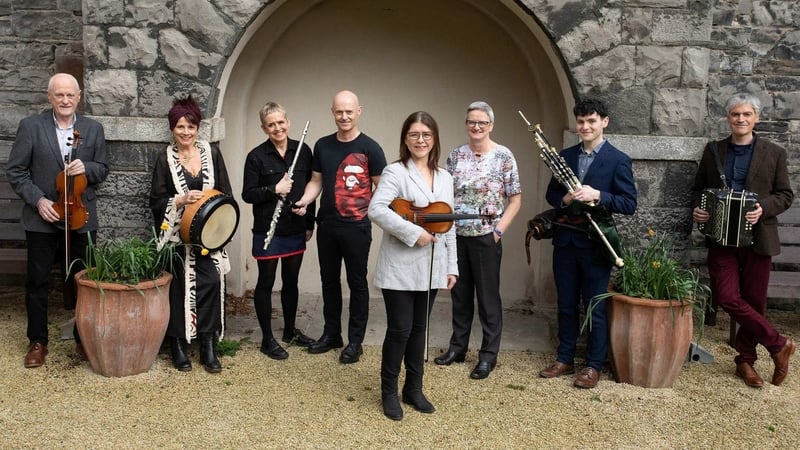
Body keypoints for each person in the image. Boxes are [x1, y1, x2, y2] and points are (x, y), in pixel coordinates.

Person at [6, 73, 109, 368]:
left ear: (79, 97)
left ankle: (82, 339)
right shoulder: (31, 127)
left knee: (83, 282)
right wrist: (39, 200)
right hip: (42, 219)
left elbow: (102, 169)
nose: (65, 100)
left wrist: (86, 168)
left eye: (70, 95)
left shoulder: (92, 128)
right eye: (59, 95)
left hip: (80, 217)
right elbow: (16, 171)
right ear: (49, 97)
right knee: (37, 281)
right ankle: (37, 341)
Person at [692, 93, 795, 388]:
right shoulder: (713, 151)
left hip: (758, 238)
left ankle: (745, 362)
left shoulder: (774, 153)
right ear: (728, 118)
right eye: (736, 114)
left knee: (754, 302)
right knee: (726, 296)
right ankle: (778, 344)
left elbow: (785, 195)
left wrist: (764, 208)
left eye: (747, 114)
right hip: (721, 238)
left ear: (756, 118)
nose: (741, 119)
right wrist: (699, 210)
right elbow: (699, 189)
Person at [539, 98, 637, 389]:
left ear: (604, 122)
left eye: (591, 121)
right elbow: (552, 195)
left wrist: (598, 194)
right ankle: (565, 358)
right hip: (566, 241)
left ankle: (593, 365)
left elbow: (629, 203)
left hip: (597, 244)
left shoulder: (618, 160)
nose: (585, 126)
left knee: (594, 306)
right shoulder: (566, 155)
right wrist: (565, 199)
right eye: (581, 122)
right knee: (566, 303)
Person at [369, 111, 458, 420]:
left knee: (421, 329)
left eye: (426, 135)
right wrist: (413, 232)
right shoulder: (395, 172)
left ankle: (414, 389)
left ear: (434, 140)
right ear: (405, 139)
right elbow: (376, 209)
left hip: (433, 266)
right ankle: (389, 392)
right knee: (400, 329)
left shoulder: (445, 176)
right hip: (399, 265)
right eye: (414, 135)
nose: (420, 140)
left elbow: (450, 225)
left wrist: (452, 266)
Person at [293, 90, 387, 364]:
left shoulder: (371, 148)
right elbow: (316, 181)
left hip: (357, 227)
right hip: (328, 225)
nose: (344, 116)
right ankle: (331, 333)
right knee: (329, 281)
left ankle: (355, 341)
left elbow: (383, 187)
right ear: (332, 112)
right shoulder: (323, 145)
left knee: (357, 283)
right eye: (339, 111)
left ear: (359, 111)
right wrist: (304, 201)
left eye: (349, 111)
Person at [434, 101, 521, 380]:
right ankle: (457, 348)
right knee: (459, 296)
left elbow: (515, 200)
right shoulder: (456, 156)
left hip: (486, 237)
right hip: (457, 236)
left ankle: (487, 355)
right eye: (472, 121)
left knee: (487, 298)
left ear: (491, 125)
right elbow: (445, 195)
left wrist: (498, 233)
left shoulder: (504, 156)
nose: (476, 127)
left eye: (482, 122)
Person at [150, 96, 234, 373]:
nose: (186, 132)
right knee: (176, 289)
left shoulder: (213, 154)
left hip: (208, 237)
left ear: (199, 128)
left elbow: (225, 192)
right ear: (172, 129)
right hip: (176, 237)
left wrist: (216, 216)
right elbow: (156, 199)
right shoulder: (165, 159)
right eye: (180, 127)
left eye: (191, 126)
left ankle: (208, 345)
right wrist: (181, 200)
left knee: (210, 282)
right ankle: (177, 345)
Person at [242, 102, 316, 360]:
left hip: (295, 226)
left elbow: (311, 187)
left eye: (280, 122)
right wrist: (274, 189)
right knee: (266, 281)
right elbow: (248, 194)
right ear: (264, 128)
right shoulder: (256, 156)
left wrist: (309, 220)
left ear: (288, 122)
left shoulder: (303, 151)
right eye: (271, 124)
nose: (277, 128)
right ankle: (267, 339)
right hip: (267, 229)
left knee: (291, 281)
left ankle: (290, 331)